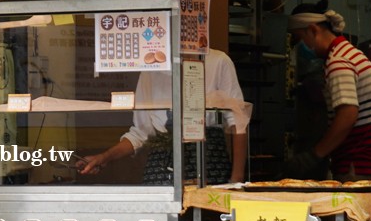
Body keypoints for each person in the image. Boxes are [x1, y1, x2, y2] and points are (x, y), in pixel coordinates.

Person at [285, 0, 371, 221]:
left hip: (360, 166)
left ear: (313, 30)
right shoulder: (350, 54)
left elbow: (347, 115)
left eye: (301, 40)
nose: (303, 48)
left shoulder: (339, 62)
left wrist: (315, 155)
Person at [78, 48, 248, 185]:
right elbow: (140, 133)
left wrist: (237, 179)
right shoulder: (150, 70)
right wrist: (104, 157)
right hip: (161, 163)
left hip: (208, 158)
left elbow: (238, 121)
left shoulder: (218, 61)